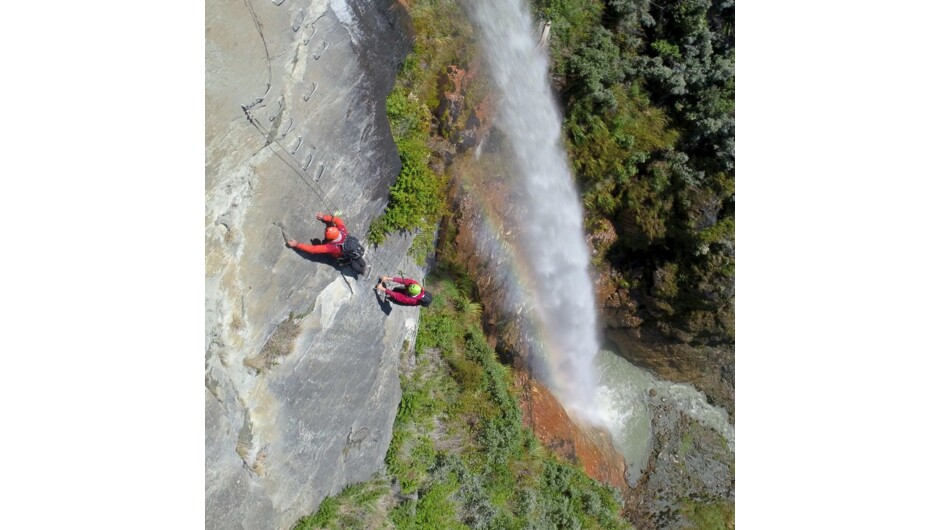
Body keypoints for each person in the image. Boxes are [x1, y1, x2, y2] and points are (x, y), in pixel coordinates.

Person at [286, 212, 367, 275]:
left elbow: (313, 249)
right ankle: (364, 265)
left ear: (330, 239)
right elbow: (338, 220)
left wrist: (297, 244)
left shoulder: (330, 247)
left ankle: (362, 272)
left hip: (343, 256)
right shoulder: (342, 230)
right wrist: (324, 217)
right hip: (352, 249)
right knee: (357, 258)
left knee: (352, 263)